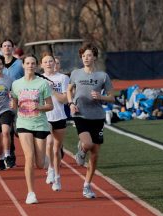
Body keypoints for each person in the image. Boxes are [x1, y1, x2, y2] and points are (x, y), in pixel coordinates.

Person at [67, 43, 114, 199]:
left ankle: (87, 185)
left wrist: (101, 97)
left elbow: (111, 97)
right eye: (83, 56)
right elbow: (69, 90)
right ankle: (81, 150)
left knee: (94, 154)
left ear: (94, 57)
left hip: (97, 116)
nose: (85, 58)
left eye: (88, 55)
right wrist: (71, 103)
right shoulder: (75, 73)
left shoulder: (102, 76)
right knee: (88, 144)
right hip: (80, 114)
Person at [11, 54, 53, 204]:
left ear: (36, 66)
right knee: (29, 157)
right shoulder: (16, 84)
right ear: (23, 65)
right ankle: (31, 193)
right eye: (27, 63)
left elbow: (50, 106)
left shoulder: (42, 84)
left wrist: (39, 107)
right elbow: (15, 103)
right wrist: (12, 105)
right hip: (23, 124)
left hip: (40, 124)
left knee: (40, 163)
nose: (30, 65)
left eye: (33, 63)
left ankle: (49, 164)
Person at [41, 52, 69, 191]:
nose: (48, 64)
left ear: (55, 63)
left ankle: (57, 176)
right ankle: (51, 170)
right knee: (50, 143)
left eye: (51, 61)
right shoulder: (38, 79)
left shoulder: (63, 78)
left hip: (60, 116)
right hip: (45, 116)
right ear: (41, 65)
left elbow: (64, 99)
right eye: (45, 62)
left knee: (57, 148)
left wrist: (52, 90)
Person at [1, 39, 25, 167]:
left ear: (13, 48)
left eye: (9, 46)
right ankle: (11, 155)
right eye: (4, 46)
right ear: (1, 48)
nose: (7, 48)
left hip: (21, 99)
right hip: (5, 102)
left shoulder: (20, 64)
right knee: (7, 130)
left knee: (20, 130)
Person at [0, 55, 15, 170]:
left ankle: (7, 156)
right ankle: (0, 158)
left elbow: (14, 94)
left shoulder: (9, 79)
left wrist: (13, 101)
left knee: (6, 131)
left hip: (6, 109)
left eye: (0, 64)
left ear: (3, 66)